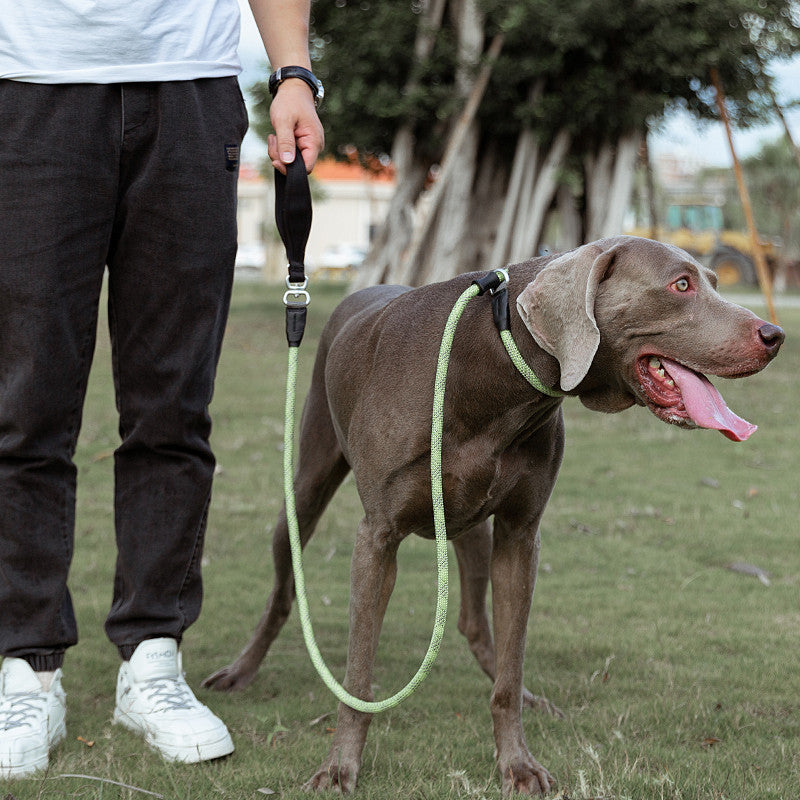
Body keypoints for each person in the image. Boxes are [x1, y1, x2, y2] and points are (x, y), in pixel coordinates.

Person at [0, 0, 324, 777]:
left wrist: (294, 73)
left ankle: (152, 662)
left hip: (189, 88)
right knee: (25, 408)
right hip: (29, 83)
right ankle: (25, 668)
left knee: (173, 406)